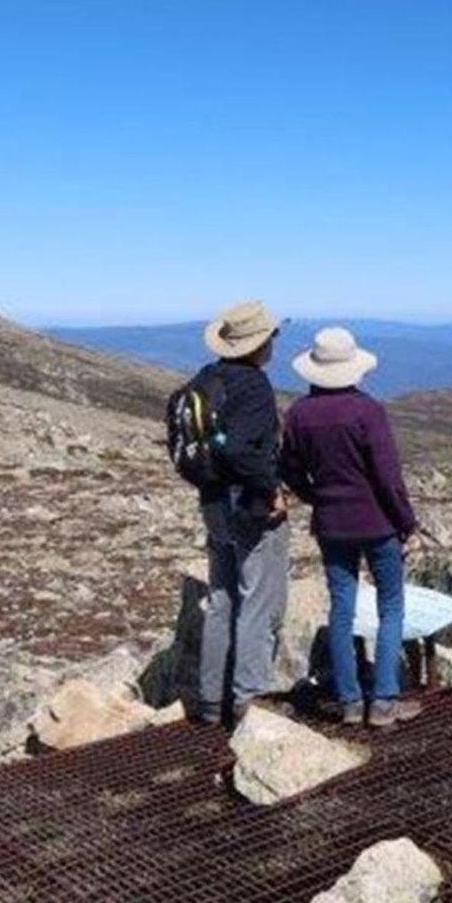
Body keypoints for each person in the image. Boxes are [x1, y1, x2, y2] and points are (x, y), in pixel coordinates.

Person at [279, 326, 420, 728]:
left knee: (342, 608)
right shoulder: (367, 411)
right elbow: (388, 475)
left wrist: (316, 496)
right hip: (377, 523)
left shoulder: (299, 415)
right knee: (390, 607)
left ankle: (350, 701)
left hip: (331, 525)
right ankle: (385, 701)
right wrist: (406, 520)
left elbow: (288, 467)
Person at [194, 300, 290, 727]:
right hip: (249, 506)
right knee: (257, 602)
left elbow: (211, 444)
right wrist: (269, 489)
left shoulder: (206, 378)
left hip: (214, 503)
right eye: (271, 337)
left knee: (221, 599)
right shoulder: (253, 386)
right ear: (258, 344)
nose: (274, 344)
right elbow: (238, 448)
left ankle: (211, 700)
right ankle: (248, 700)